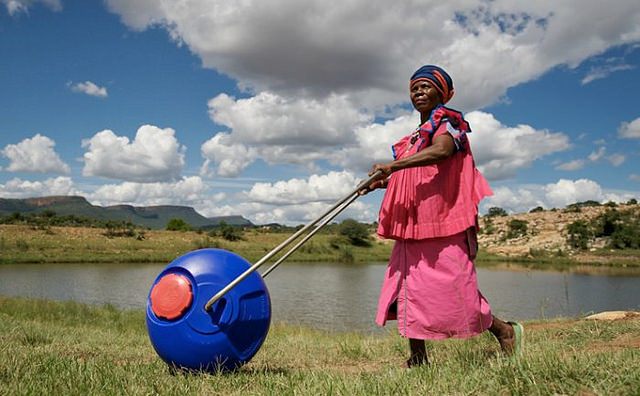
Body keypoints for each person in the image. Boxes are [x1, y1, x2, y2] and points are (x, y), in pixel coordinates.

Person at [360, 64, 523, 367]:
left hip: (443, 221)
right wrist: (380, 183)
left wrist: (392, 167)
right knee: (409, 289)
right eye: (414, 88)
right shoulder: (413, 139)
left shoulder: (447, 123)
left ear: (443, 93)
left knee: (455, 287)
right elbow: (414, 177)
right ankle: (418, 357)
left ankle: (504, 330)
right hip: (414, 224)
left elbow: (443, 152)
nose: (418, 92)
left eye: (426, 86)